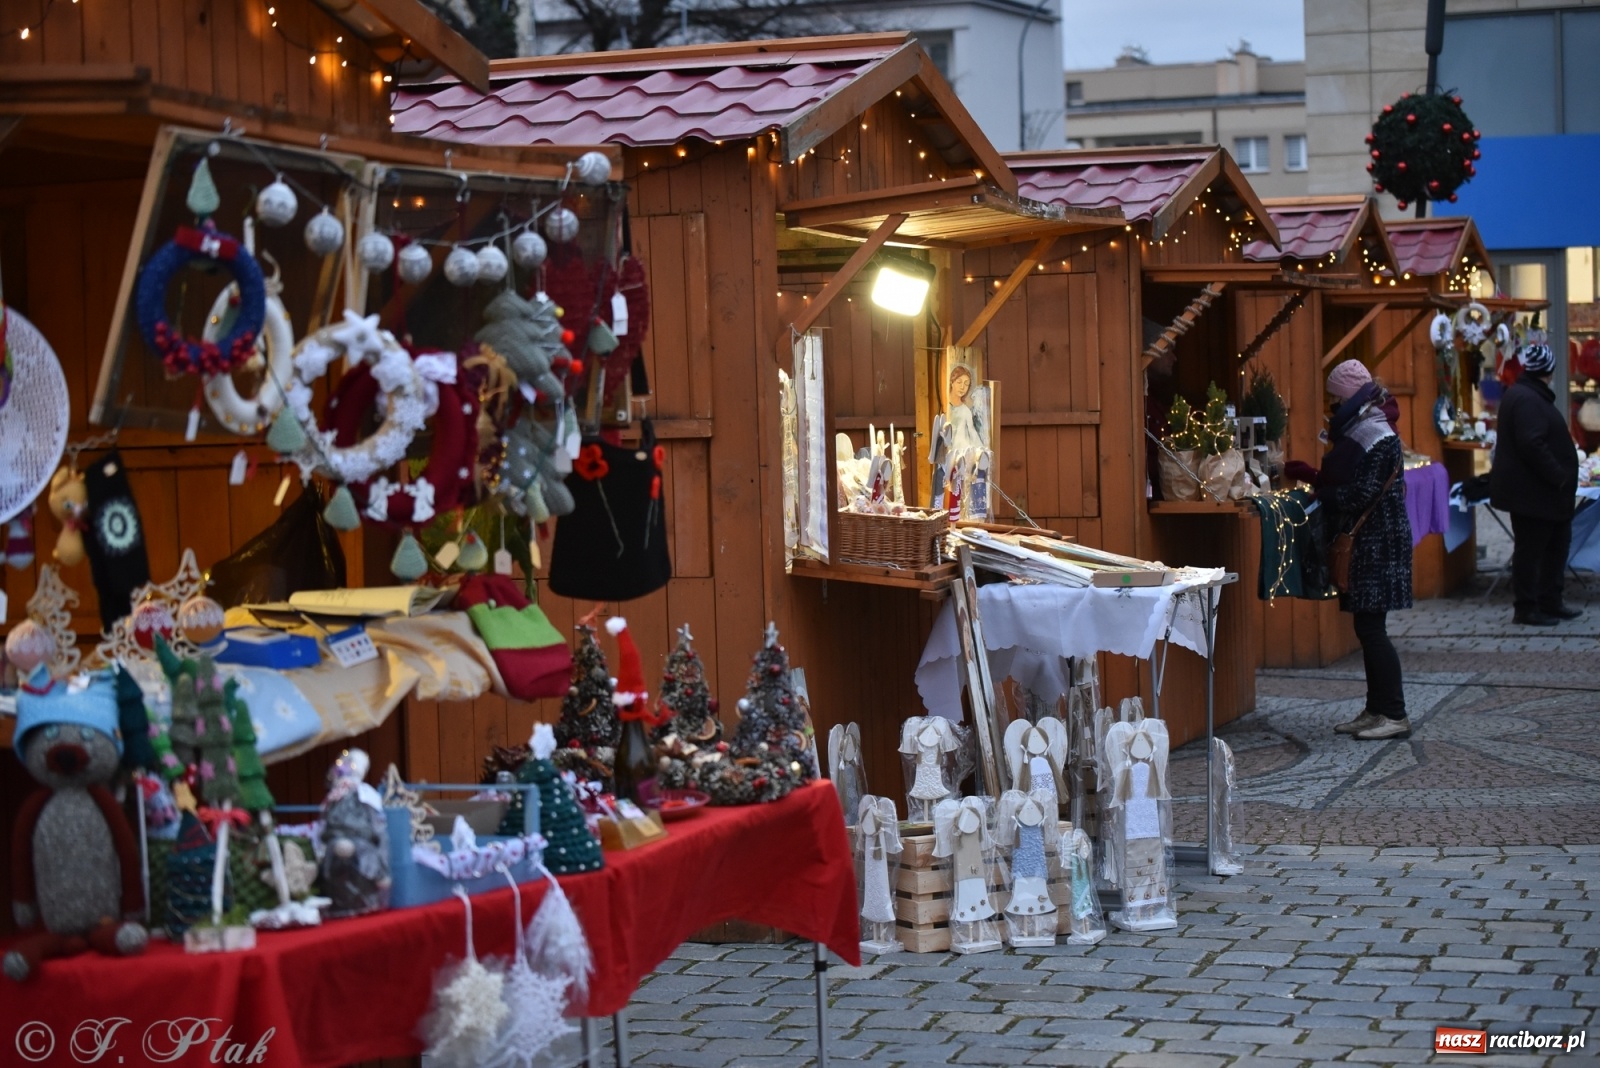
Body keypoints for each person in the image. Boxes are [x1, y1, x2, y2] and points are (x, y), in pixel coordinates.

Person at [1284, 360, 1413, 740]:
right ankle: (1376, 709)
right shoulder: (1365, 428)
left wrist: (1321, 493)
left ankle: (1394, 713)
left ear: (1350, 397)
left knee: (1373, 629)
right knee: (1367, 626)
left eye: (1336, 399)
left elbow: (1359, 493)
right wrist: (1314, 478)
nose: (1333, 407)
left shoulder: (1375, 434)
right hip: (1372, 543)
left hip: (1378, 544)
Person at [1489, 342, 1581, 625]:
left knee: (1555, 547)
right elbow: (1532, 443)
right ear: (1549, 371)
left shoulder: (1527, 395)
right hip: (1535, 494)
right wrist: (1559, 474)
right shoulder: (1527, 399)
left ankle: (1550, 601)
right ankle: (1527, 608)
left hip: (1543, 495)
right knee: (1531, 552)